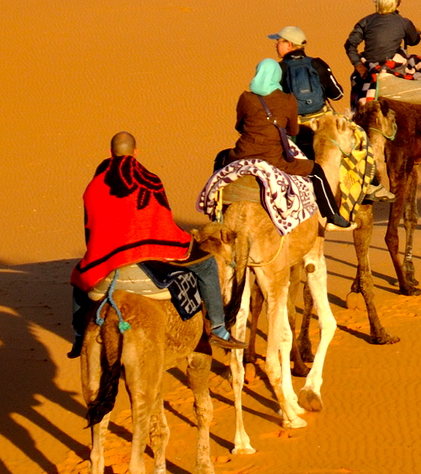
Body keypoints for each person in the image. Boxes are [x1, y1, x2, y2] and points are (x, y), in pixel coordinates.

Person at [68, 131, 230, 355]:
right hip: (151, 249)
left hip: (107, 255)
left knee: (79, 280)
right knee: (207, 265)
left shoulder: (94, 186)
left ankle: (78, 336)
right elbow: (161, 218)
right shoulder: (150, 179)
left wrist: (100, 252)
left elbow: (90, 230)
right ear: (136, 152)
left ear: (109, 153)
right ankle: (219, 328)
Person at [270, 25, 344, 159]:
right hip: (323, 124)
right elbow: (338, 94)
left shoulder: (279, 68)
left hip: (294, 129)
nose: (275, 45)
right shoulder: (317, 63)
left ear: (289, 45)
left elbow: (273, 102)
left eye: (279, 41)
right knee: (358, 139)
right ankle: (373, 180)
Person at [233, 58, 317, 177]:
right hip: (273, 159)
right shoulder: (288, 100)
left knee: (220, 159)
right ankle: (326, 196)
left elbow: (239, 126)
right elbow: (293, 131)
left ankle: (210, 193)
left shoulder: (245, 98)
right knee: (316, 170)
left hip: (242, 153)